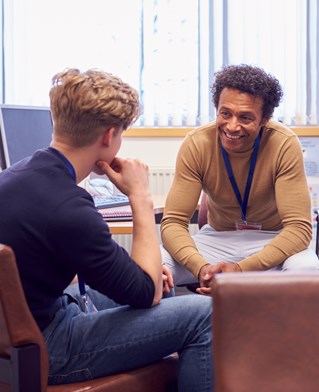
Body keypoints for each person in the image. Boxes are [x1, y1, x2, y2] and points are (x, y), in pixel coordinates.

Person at [0, 68, 213, 391]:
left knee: (163, 286)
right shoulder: (70, 209)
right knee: (205, 314)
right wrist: (139, 195)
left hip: (23, 327)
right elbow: (145, 293)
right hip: (46, 347)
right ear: (108, 136)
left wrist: (148, 279)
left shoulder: (17, 174)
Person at [160, 64, 319, 295]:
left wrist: (241, 270)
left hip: (272, 240)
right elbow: (173, 222)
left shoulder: (284, 143)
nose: (232, 126)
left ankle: (284, 332)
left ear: (265, 119)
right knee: (154, 265)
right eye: (225, 113)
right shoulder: (197, 143)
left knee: (308, 270)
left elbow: (298, 229)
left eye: (245, 117)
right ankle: (176, 327)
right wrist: (201, 268)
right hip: (217, 240)